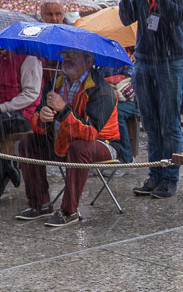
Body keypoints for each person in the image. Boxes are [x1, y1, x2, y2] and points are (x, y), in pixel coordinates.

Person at [119, 0, 183, 199]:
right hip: (144, 59)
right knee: (150, 123)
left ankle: (169, 178)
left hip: (171, 61)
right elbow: (127, 18)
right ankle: (154, 174)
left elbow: (177, 16)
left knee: (169, 123)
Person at [16, 50, 120, 227]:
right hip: (62, 141)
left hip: (104, 144)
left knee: (79, 148)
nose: (67, 59)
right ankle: (39, 203)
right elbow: (38, 120)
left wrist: (63, 110)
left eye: (74, 55)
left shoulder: (102, 90)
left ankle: (68, 211)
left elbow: (90, 132)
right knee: (28, 143)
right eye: (65, 55)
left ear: (89, 61)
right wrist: (42, 118)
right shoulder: (55, 84)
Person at [0, 47, 42, 200]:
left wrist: (2, 108)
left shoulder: (28, 55)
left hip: (22, 112)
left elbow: (31, 93)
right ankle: (5, 167)